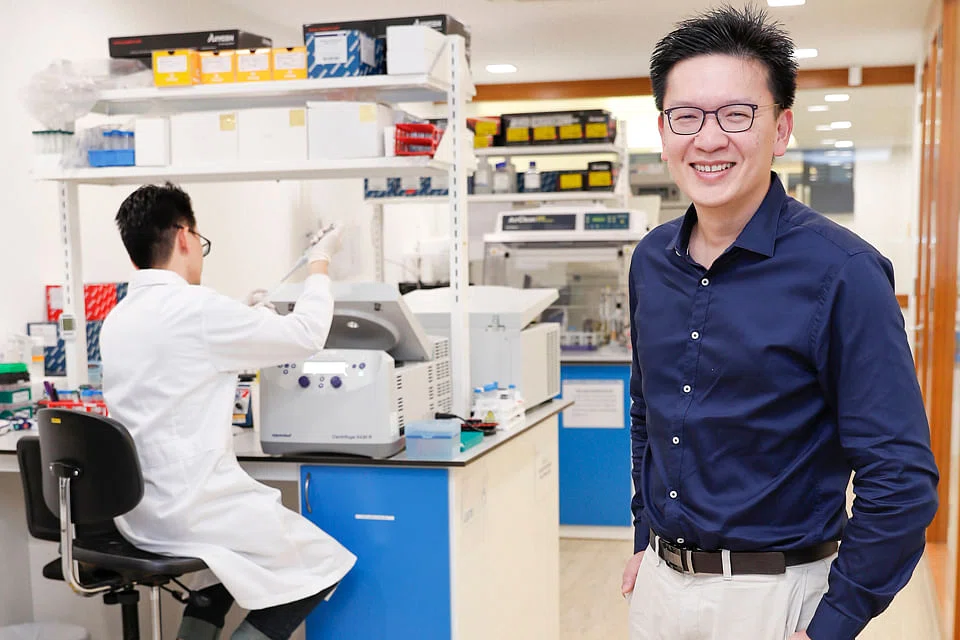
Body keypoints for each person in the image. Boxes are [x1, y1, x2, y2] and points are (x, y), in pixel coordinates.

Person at [620, 6, 939, 640]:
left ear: (782, 128)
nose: (708, 139)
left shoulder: (843, 272)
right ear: (663, 130)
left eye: (737, 115)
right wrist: (643, 537)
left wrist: (834, 622)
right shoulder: (652, 259)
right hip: (658, 587)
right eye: (686, 116)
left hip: (776, 599)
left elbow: (901, 479)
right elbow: (647, 414)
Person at [100, 183, 356, 640]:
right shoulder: (197, 309)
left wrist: (244, 317)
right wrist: (320, 264)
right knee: (322, 565)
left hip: (138, 512)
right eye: (200, 240)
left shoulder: (119, 317)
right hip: (190, 508)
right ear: (184, 237)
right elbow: (306, 334)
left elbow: (180, 359)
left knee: (224, 568)